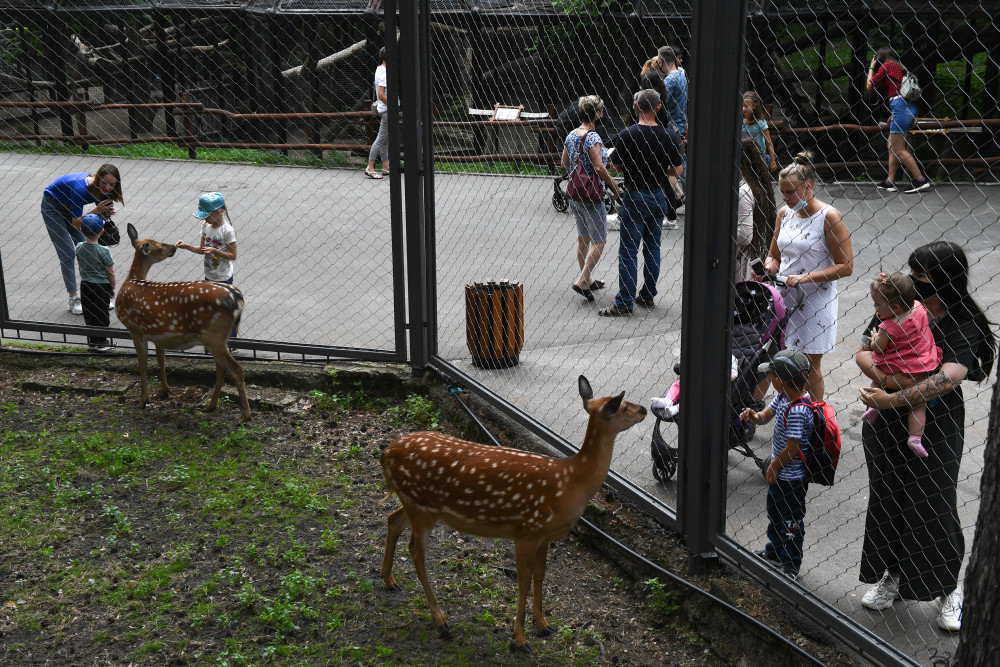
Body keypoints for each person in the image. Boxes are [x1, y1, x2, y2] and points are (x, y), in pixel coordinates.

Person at [856, 241, 995, 633]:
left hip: (935, 424)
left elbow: (948, 379)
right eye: (913, 271)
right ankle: (894, 575)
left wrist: (891, 396)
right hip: (885, 422)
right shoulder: (898, 304)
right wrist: (889, 385)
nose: (913, 279)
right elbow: (864, 352)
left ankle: (948, 588)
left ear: (946, 278)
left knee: (934, 502)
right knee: (889, 497)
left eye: (922, 274)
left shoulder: (961, 320)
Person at [758, 152, 853, 400]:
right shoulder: (784, 213)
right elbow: (774, 256)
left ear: (808, 187)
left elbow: (846, 266)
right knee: (777, 359)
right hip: (784, 296)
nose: (785, 197)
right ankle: (783, 409)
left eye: (790, 192)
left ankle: (818, 414)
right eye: (782, 192)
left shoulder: (829, 216)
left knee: (808, 365)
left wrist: (805, 277)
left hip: (814, 299)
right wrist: (768, 268)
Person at [600, 90, 683, 317]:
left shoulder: (627, 134)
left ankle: (625, 301)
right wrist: (660, 169)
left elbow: (615, 165)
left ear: (636, 106)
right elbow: (677, 169)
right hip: (658, 196)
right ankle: (647, 294)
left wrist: (632, 166)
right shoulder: (669, 136)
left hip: (635, 195)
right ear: (658, 107)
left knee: (629, 251)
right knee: (652, 247)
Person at [739, 348, 815, 580]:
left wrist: (774, 466)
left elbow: (793, 449)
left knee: (791, 521)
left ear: (779, 380)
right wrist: (754, 415)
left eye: (770, 375)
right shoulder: (783, 397)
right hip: (780, 474)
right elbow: (764, 416)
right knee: (775, 514)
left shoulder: (798, 409)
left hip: (791, 478)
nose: (768, 378)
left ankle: (791, 565)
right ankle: (775, 552)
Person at [857, 271, 942, 457]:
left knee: (878, 374)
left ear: (895, 307)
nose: (874, 306)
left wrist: (875, 338)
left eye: (877, 304)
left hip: (895, 364)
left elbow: (878, 348)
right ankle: (915, 438)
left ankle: (873, 406)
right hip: (920, 363)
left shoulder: (888, 327)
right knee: (918, 403)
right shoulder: (919, 307)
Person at [561, 95, 620, 303]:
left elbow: (564, 162)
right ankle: (582, 280)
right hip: (591, 195)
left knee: (583, 238)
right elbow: (599, 167)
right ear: (598, 114)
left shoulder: (571, 134)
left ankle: (588, 279)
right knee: (600, 239)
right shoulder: (593, 138)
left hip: (575, 193)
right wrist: (614, 186)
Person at [41, 164, 122, 314]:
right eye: (104, 183)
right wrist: (97, 210)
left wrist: (106, 214)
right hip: (52, 207)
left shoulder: (105, 191)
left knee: (90, 249)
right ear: (97, 179)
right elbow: (77, 223)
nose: (107, 188)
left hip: (71, 209)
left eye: (112, 185)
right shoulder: (80, 188)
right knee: (68, 253)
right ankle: (73, 299)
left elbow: (95, 221)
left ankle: (99, 295)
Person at [866, 46, 931, 193]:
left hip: (901, 108)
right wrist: (895, 114)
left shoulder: (887, 66)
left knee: (898, 148)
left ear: (880, 59)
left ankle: (920, 180)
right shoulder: (899, 67)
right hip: (906, 108)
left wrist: (872, 66)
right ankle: (890, 181)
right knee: (891, 145)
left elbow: (869, 85)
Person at [177, 192, 239, 337]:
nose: (204, 218)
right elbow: (202, 250)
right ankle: (213, 339)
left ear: (218, 212)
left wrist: (215, 251)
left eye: (207, 215)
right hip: (209, 276)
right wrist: (186, 246)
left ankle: (231, 341)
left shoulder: (227, 231)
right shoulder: (206, 226)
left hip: (223, 278)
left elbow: (233, 255)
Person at [736, 138, 777, 281]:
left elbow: (744, 235)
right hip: (751, 255)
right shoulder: (757, 185)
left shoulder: (744, 190)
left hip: (741, 261)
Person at [75, 214, 116, 352]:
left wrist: (84, 275)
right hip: (101, 286)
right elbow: (111, 271)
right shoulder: (104, 250)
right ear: (102, 231)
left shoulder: (79, 247)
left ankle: (92, 342)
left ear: (81, 231)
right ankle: (102, 342)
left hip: (86, 285)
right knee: (102, 313)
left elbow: (80, 266)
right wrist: (112, 286)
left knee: (89, 313)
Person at [366, 47, 390, 179]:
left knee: (385, 138)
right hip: (387, 109)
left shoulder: (380, 69)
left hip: (384, 108)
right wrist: (392, 106)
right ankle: (370, 167)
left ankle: (385, 166)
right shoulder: (384, 72)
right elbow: (381, 94)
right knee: (380, 139)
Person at [741, 91, 778, 172]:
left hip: (758, 158)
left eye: (747, 106)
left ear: (754, 106)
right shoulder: (739, 121)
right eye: (742, 106)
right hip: (743, 157)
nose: (743, 108)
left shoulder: (760, 122)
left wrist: (772, 161)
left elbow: (768, 141)